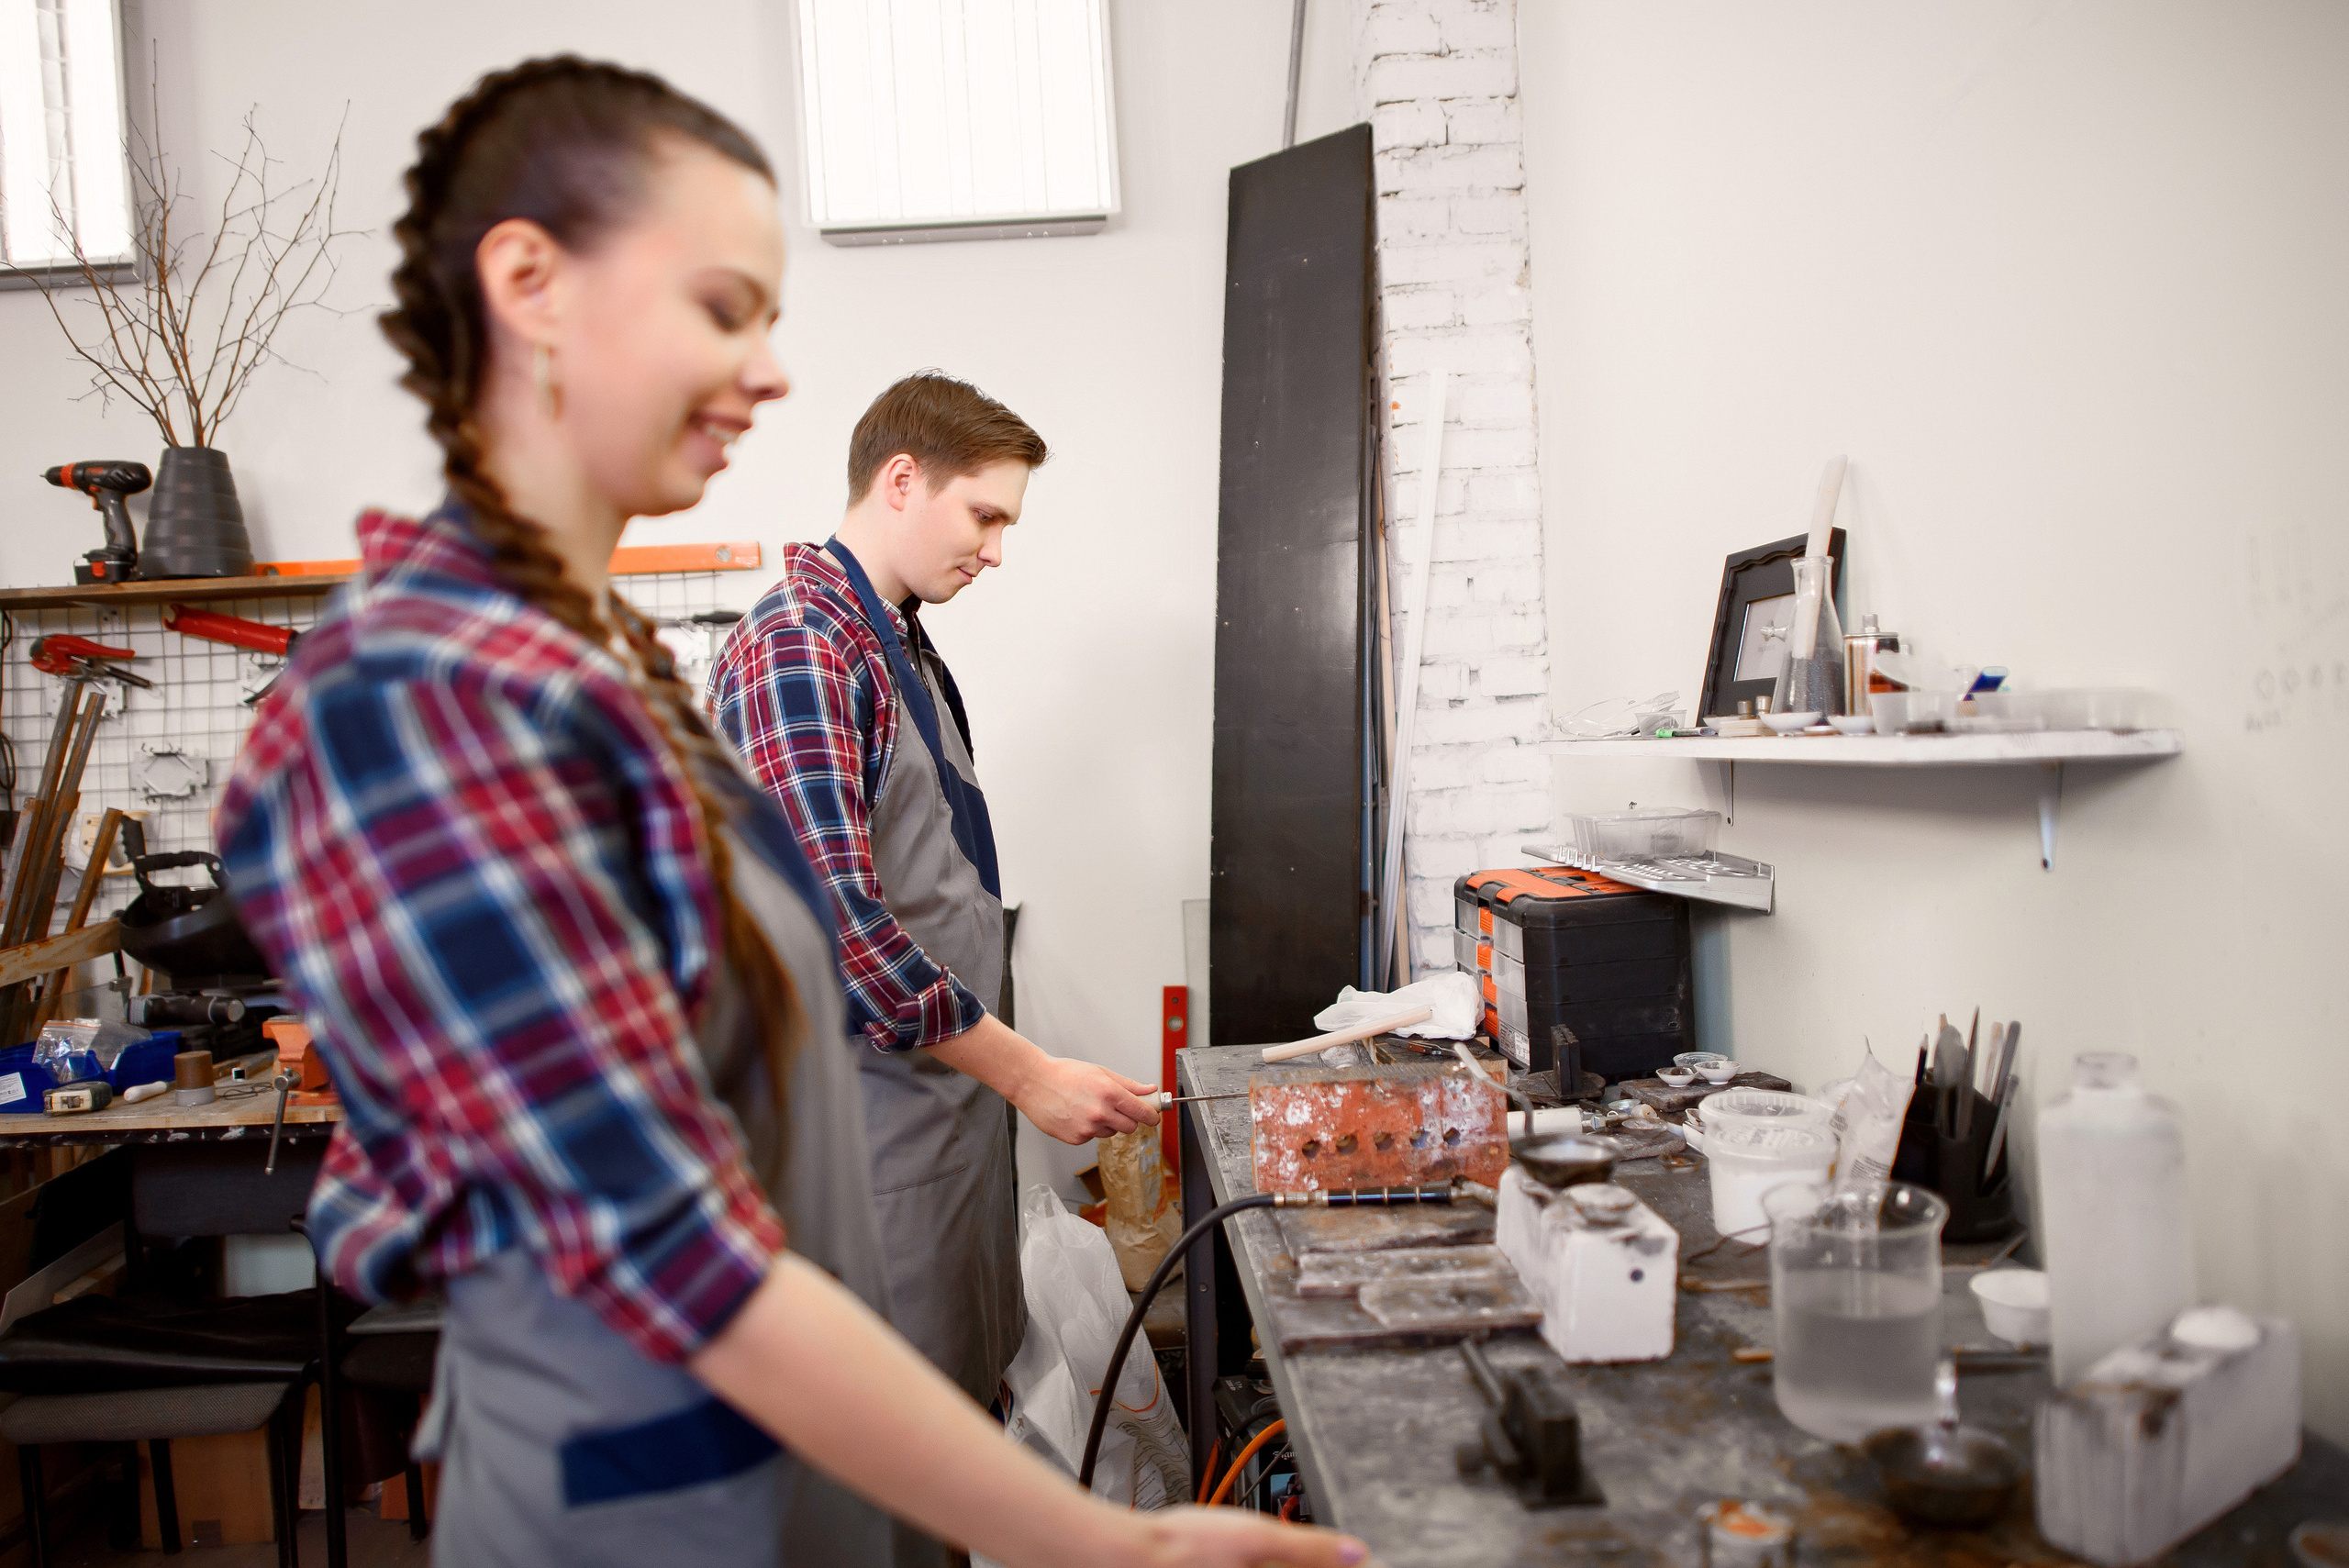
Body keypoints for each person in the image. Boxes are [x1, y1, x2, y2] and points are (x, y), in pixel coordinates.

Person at [214, 56, 1360, 1568]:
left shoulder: (613, 671)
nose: (766, 374)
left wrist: (1101, 1538)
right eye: (720, 306)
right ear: (532, 286)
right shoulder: (447, 702)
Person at [707, 374, 1158, 1429]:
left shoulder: (892, 639)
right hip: (865, 1148)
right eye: (985, 514)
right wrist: (1032, 1074)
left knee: (952, 1426)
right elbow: (834, 929)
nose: (997, 548)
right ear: (901, 481)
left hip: (936, 1128)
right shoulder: (797, 650)